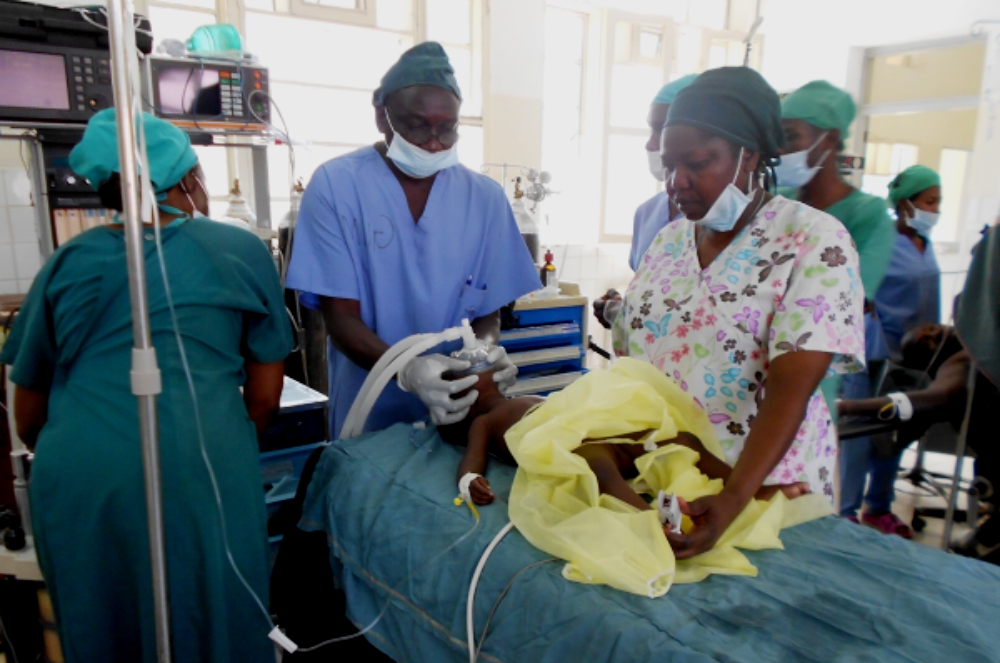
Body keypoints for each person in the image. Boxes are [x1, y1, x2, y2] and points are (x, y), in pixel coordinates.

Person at [1, 110, 293, 662]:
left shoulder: (66, 264)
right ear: (187, 180)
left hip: (83, 474)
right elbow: (263, 399)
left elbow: (29, 411)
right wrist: (211, 434)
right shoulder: (239, 251)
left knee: (103, 621)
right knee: (218, 614)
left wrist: (98, 447)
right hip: (199, 463)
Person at [612, 67, 866, 559]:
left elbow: (791, 387)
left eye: (697, 162)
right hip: (673, 482)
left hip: (768, 490)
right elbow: (635, 362)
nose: (675, 182)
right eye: (668, 165)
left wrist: (732, 499)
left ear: (748, 156)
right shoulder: (668, 242)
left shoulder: (813, 240)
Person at [286, 42, 539, 436]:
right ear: (381, 116)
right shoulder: (336, 186)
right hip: (368, 410)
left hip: (460, 411)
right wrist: (407, 370)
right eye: (418, 126)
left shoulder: (484, 198)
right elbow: (341, 318)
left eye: (448, 128)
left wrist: (485, 351)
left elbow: (487, 311)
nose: (435, 143)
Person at [441, 367, 810, 508]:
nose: (476, 368)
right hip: (569, 449)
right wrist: (470, 480)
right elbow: (471, 458)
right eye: (464, 373)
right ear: (461, 406)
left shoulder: (526, 395)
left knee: (682, 440)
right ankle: (654, 523)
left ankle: (746, 490)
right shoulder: (485, 422)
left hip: (594, 429)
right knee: (599, 469)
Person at [837, 166, 944, 534]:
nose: (936, 209)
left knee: (897, 433)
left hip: (912, 357)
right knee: (860, 436)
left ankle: (878, 506)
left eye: (939, 202)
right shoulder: (881, 240)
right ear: (905, 204)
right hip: (872, 350)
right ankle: (848, 511)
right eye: (930, 202)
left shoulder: (924, 245)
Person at [594, 75, 696, 330]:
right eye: (651, 129)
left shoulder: (717, 217)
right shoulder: (647, 213)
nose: (651, 143)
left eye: (662, 129)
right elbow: (648, 290)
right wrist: (621, 309)